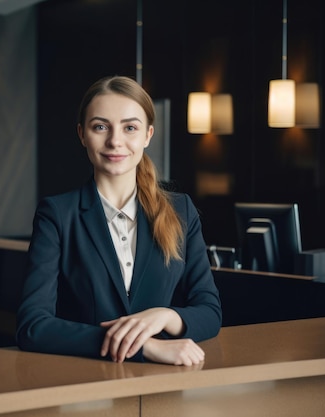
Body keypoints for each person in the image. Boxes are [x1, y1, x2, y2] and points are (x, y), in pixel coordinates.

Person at [16, 75, 221, 365]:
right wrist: (143, 346)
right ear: (82, 134)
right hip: (86, 389)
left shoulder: (181, 210)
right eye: (100, 127)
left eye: (130, 128)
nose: (115, 141)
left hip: (163, 387)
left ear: (148, 135)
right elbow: (32, 326)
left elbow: (210, 311)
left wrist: (164, 317)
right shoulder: (57, 215)